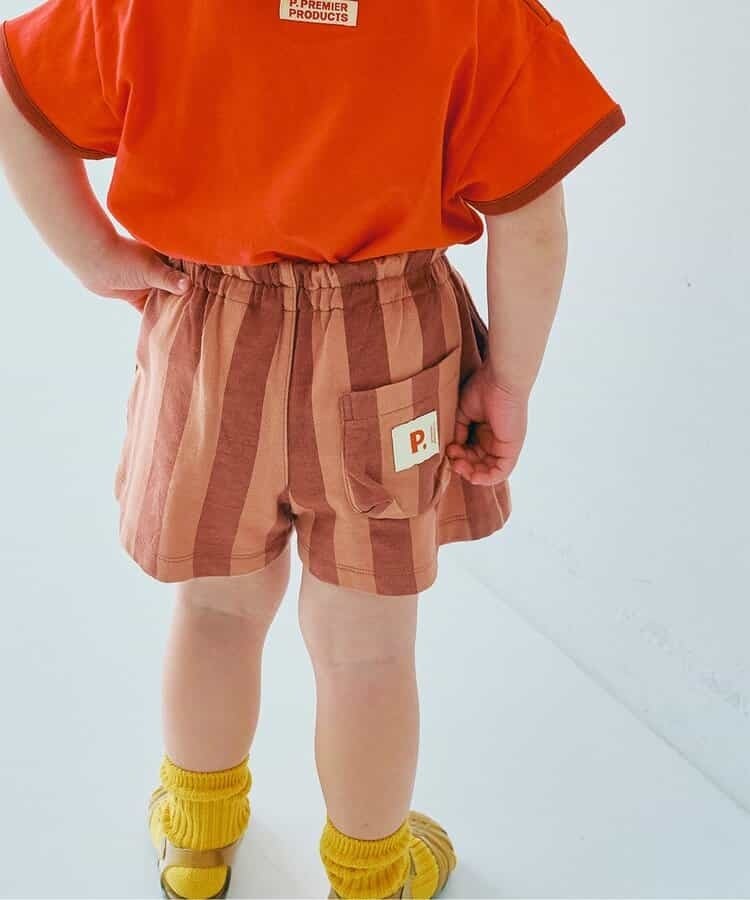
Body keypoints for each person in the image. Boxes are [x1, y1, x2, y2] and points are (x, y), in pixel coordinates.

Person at [0, 0, 625, 897]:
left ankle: (197, 845)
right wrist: (509, 382)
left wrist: (91, 253)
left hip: (209, 340)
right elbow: (533, 223)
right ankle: (371, 877)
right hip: (389, 347)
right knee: (367, 650)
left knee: (215, 612)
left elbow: (16, 93)